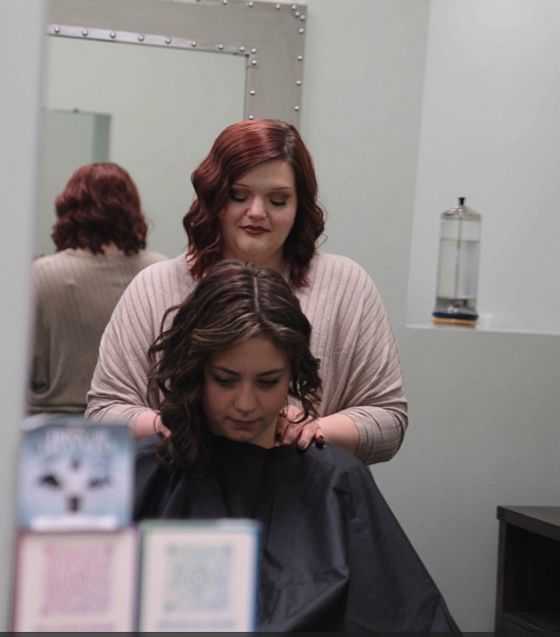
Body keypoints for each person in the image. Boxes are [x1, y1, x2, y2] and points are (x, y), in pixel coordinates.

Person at [135, 260, 458, 633]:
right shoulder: (147, 478)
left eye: (267, 382)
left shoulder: (335, 482)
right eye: (225, 380)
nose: (245, 403)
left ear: (293, 375)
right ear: (196, 372)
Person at [86, 119, 407, 464]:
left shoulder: (347, 287)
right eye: (238, 196)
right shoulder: (154, 287)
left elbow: (388, 420)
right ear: (213, 198)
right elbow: (103, 413)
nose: (256, 213)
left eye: (278, 200)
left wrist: (312, 431)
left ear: (300, 206)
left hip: (300, 502)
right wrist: (171, 424)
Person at [28, 162, 165, 414]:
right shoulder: (158, 272)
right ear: (132, 210)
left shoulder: (41, 275)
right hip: (132, 428)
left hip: (50, 429)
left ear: (69, 209)